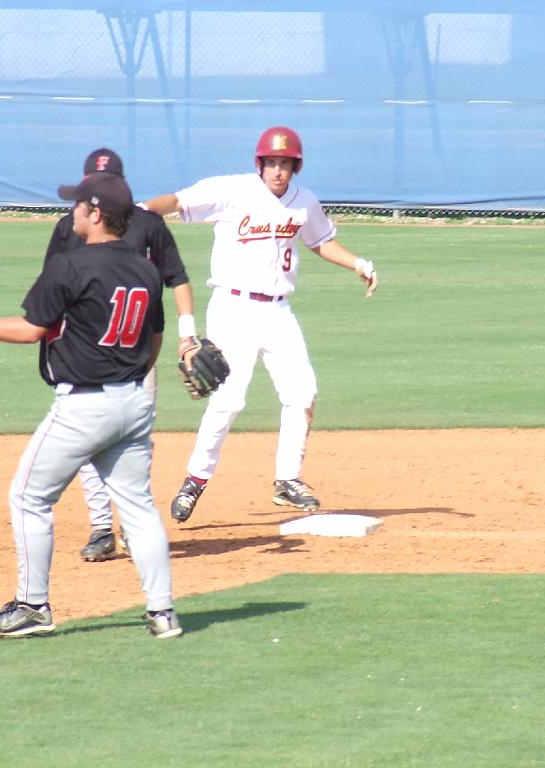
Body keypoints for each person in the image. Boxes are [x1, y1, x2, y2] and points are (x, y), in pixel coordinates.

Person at [0, 172, 182, 639]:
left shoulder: (70, 266)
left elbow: (31, 330)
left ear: (94, 214)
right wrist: (130, 376)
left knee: (29, 497)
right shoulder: (146, 270)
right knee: (138, 506)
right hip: (134, 401)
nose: (71, 213)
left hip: (84, 408)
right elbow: (154, 338)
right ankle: (163, 612)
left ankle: (32, 606)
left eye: (77, 207)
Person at [144, 126, 378, 523]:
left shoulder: (304, 203)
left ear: (295, 167)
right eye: (271, 162)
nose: (277, 171)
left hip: (278, 311)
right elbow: (178, 201)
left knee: (303, 394)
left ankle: (287, 480)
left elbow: (320, 241)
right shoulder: (231, 190)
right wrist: (136, 214)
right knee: (228, 399)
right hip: (232, 308)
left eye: (285, 164)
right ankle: (196, 480)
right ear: (260, 164)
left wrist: (357, 262)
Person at [44, 148, 195, 563]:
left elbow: (177, 277)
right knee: (90, 448)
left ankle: (131, 527)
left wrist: (189, 335)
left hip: (140, 351)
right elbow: (52, 288)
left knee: (134, 445)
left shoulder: (149, 225)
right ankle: (102, 528)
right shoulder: (66, 227)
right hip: (86, 353)